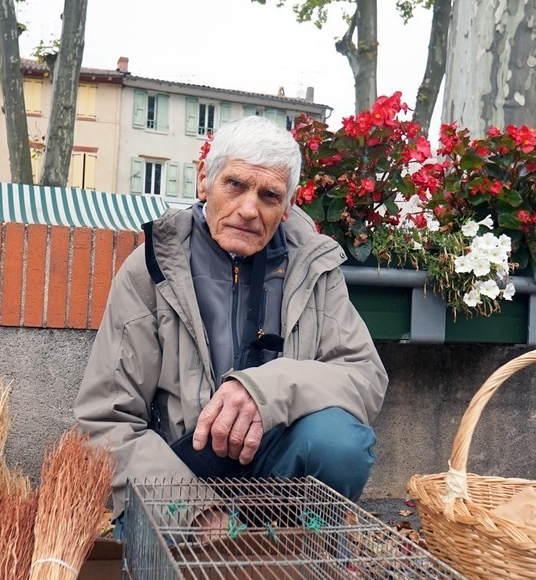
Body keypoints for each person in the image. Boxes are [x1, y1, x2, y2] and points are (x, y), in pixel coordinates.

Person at [74, 115, 388, 534]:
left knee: (340, 442)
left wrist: (265, 390)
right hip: (178, 472)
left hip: (277, 468)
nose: (248, 209)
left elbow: (364, 379)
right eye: (235, 185)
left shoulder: (313, 267)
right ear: (204, 181)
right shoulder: (151, 269)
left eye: (269, 195)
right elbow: (105, 420)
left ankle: (304, 556)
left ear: (288, 204)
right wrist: (195, 510)